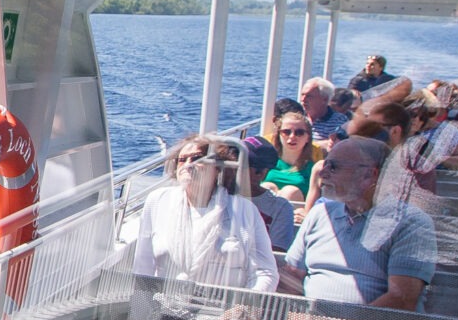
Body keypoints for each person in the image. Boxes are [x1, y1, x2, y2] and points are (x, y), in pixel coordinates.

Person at [259, 136, 438, 320]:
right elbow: (292, 274)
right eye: (324, 165)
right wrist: (297, 311)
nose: (322, 173)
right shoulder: (321, 213)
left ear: (370, 175)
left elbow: (403, 298)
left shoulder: (410, 223)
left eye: (333, 166)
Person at [133, 136, 280, 292]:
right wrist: (143, 305)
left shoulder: (244, 210)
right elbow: (143, 265)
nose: (188, 164)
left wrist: (244, 303)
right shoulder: (158, 201)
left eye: (197, 158)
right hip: (165, 303)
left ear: (217, 168)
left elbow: (265, 272)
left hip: (226, 305)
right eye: (182, 160)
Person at [236, 135, 299, 251]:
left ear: (261, 173)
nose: (233, 167)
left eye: (241, 164)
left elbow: (276, 253)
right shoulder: (218, 197)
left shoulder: (280, 208)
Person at [264, 111, 322, 202]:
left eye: (299, 132)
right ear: (279, 135)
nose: (292, 136)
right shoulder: (266, 162)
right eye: (286, 132)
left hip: (297, 209)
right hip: (264, 208)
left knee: (290, 192)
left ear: (308, 137)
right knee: (268, 187)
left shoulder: (313, 169)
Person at [302, 77, 349, 142]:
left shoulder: (338, 120)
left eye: (309, 96)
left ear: (325, 99)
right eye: (302, 95)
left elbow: (334, 144)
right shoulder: (297, 117)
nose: (303, 99)